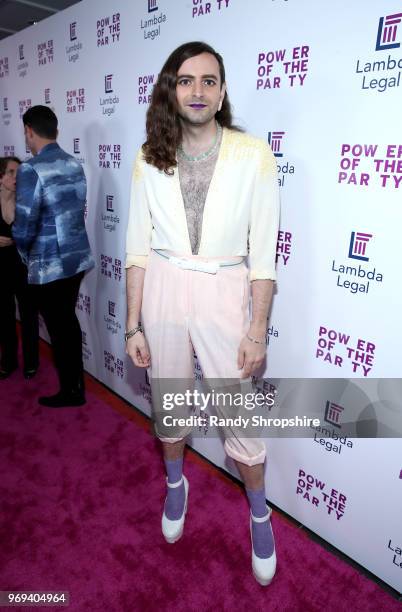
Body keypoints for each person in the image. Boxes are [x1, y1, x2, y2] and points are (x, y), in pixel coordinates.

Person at [125, 42, 280, 586]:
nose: (197, 91)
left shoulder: (253, 154)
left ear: (222, 92)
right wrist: (133, 322)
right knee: (169, 407)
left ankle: (260, 515)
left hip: (225, 287)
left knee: (238, 414)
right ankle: (174, 485)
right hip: (164, 287)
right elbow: (137, 249)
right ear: (172, 88)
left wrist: (257, 328)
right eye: (186, 80)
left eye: (209, 81)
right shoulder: (148, 157)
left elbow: (263, 254)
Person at [12, 105, 94, 407]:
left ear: (29, 131)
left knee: (60, 330)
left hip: (49, 265)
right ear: (55, 131)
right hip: (76, 260)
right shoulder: (73, 163)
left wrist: (21, 251)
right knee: (67, 324)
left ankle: (71, 392)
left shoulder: (30, 169)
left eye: (25, 132)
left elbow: (24, 224)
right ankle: (76, 388)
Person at [0, 156, 39, 379]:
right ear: (1, 176)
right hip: (0, 268)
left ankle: (31, 363)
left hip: (23, 266)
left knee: (28, 316)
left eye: (19, 172)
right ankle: (8, 361)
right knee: (4, 317)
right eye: (11, 172)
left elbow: (33, 232)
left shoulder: (25, 200)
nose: (16, 177)